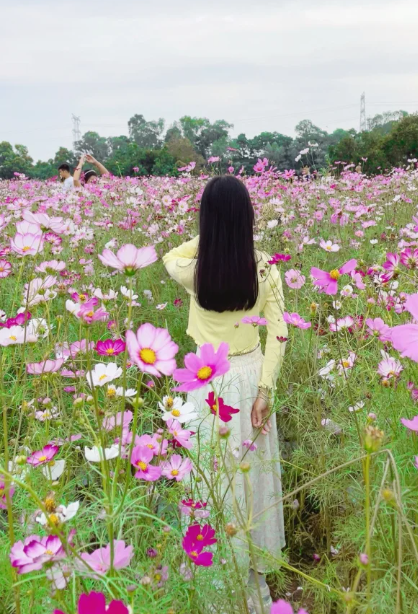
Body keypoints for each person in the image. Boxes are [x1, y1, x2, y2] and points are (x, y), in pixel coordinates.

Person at [163, 175, 288, 614]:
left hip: (204, 382)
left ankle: (210, 572)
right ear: (249, 218)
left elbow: (169, 255)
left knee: (210, 479)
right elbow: (280, 333)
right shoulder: (264, 267)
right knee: (248, 479)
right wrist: (264, 391)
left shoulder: (194, 269)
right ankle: (251, 577)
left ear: (207, 220)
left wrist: (213, 233)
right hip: (250, 376)